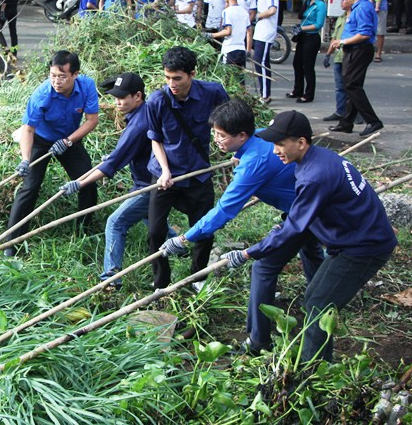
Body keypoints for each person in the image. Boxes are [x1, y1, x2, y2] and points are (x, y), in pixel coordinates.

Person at [222, 110, 396, 362]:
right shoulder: (317, 159)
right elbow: (300, 218)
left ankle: (310, 371)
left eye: (280, 144)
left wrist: (248, 252)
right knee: (315, 298)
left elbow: (295, 228)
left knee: (318, 303)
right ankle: (319, 362)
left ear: (301, 143)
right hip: (352, 238)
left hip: (364, 247)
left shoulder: (315, 176)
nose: (275, 151)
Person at [160, 100, 324, 351]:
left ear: (242, 135)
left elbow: (225, 211)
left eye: (222, 136)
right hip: (309, 206)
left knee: (264, 267)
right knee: (311, 251)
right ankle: (323, 302)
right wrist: (237, 154)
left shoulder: (253, 165)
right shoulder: (260, 139)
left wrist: (184, 239)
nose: (216, 140)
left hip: (304, 212)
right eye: (214, 133)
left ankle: (258, 340)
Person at [60, 72, 176, 288]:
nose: (117, 103)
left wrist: (80, 183)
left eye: (122, 98)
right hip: (147, 179)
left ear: (138, 96)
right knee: (149, 217)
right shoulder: (142, 113)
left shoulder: (139, 124)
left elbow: (112, 164)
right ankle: (183, 245)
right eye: (115, 98)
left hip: (151, 184)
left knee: (115, 222)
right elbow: (123, 154)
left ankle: (111, 279)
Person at [146, 47, 229, 290]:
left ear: (192, 74)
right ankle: (161, 281)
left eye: (178, 78)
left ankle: (198, 278)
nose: (172, 83)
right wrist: (164, 171)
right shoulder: (157, 100)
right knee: (155, 231)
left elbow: (228, 123)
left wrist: (228, 147)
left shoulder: (212, 92)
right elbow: (155, 139)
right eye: (168, 77)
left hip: (198, 173)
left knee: (204, 228)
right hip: (166, 174)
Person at [5, 51, 99, 256]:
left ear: (76, 74)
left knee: (88, 181)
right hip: (40, 139)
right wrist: (25, 159)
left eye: (62, 76)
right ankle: (12, 243)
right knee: (29, 188)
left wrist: (68, 141)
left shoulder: (86, 86)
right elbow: (27, 130)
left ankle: (84, 230)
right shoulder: (41, 95)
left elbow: (92, 120)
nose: (56, 81)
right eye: (53, 75)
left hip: (69, 139)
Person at [329, 0, 383, 137]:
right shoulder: (360, 7)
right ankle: (346, 123)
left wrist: (343, 41)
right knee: (351, 85)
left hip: (359, 50)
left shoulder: (363, 8)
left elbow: (364, 34)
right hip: (354, 50)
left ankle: (372, 121)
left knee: (352, 86)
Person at [288, 0, 325, 103]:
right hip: (303, 36)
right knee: (297, 63)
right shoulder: (307, 1)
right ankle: (297, 90)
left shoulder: (320, 5)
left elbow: (318, 24)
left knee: (308, 67)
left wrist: (301, 28)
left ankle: (309, 94)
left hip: (312, 38)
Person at [209, 0, 251, 81]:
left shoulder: (227, 12)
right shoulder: (244, 11)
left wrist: (211, 35)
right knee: (240, 80)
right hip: (241, 50)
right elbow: (249, 32)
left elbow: (228, 31)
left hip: (230, 50)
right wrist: (248, 50)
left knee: (227, 80)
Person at [252, 0, 279, 103]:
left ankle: (265, 95)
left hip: (266, 32)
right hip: (260, 31)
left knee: (260, 62)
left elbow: (272, 10)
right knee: (260, 62)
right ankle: (264, 92)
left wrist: (258, 15)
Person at [322, 0, 351, 123]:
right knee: (339, 87)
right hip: (338, 57)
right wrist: (328, 54)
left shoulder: (353, 18)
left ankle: (354, 113)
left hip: (349, 56)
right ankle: (340, 111)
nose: (341, 2)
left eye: (344, 0)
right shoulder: (340, 18)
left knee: (350, 87)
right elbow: (334, 39)